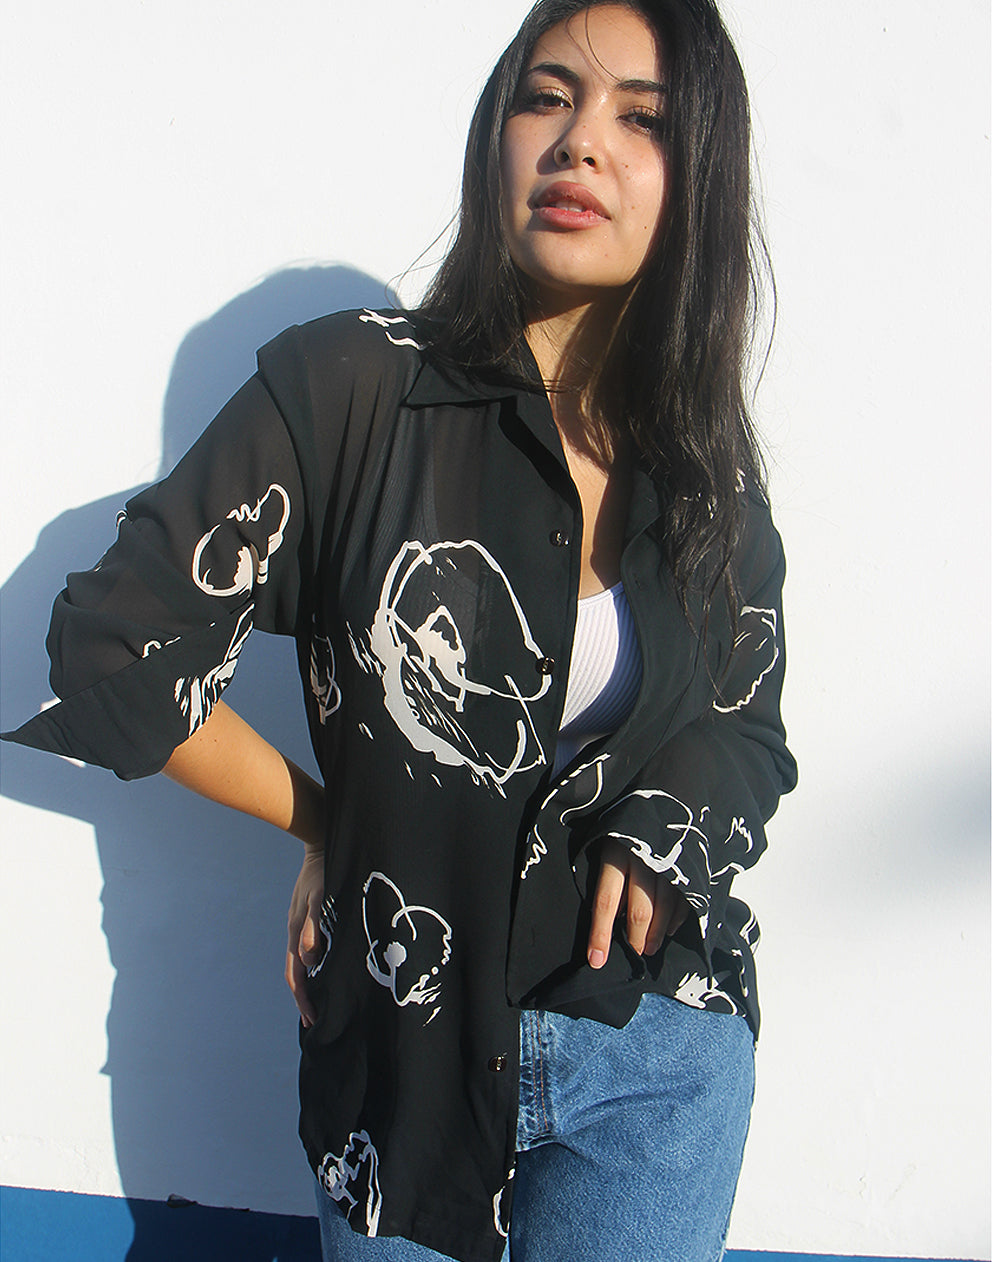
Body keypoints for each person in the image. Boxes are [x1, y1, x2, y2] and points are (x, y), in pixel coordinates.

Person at [4, 1, 797, 1259]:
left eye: (638, 117)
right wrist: (328, 819)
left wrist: (664, 830)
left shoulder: (702, 467)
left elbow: (743, 725)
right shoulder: (349, 391)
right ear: (495, 135)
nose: (578, 142)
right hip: (405, 1058)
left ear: (697, 170)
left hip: (654, 1058)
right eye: (546, 97)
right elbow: (115, 648)